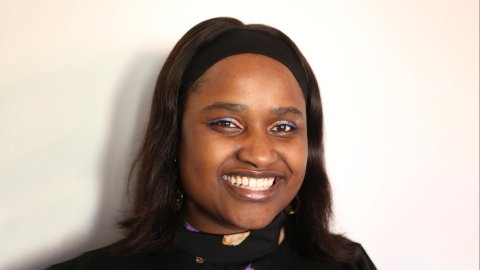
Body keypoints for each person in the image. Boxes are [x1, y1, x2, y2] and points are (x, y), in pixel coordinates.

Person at [46, 17, 376, 269]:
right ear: (174, 137)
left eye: (284, 126)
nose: (260, 155)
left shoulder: (348, 265)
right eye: (226, 123)